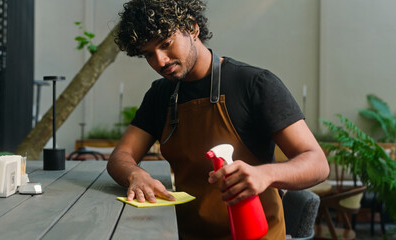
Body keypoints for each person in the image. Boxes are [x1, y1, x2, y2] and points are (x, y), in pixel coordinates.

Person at [108, 0, 329, 239]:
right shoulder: (160, 95)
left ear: (192, 28)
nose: (160, 61)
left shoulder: (255, 85)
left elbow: (317, 163)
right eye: (149, 54)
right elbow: (121, 156)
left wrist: (265, 175)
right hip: (182, 233)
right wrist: (135, 174)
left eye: (166, 44)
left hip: (254, 235)